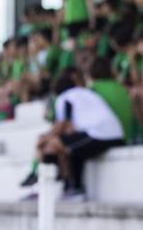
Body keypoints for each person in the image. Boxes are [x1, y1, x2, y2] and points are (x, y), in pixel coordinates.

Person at [32, 69, 124, 201]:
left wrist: (44, 139)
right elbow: (71, 129)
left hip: (100, 135)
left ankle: (49, 188)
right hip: (114, 135)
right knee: (69, 145)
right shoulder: (85, 93)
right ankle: (68, 187)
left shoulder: (64, 97)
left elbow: (63, 124)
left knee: (52, 146)